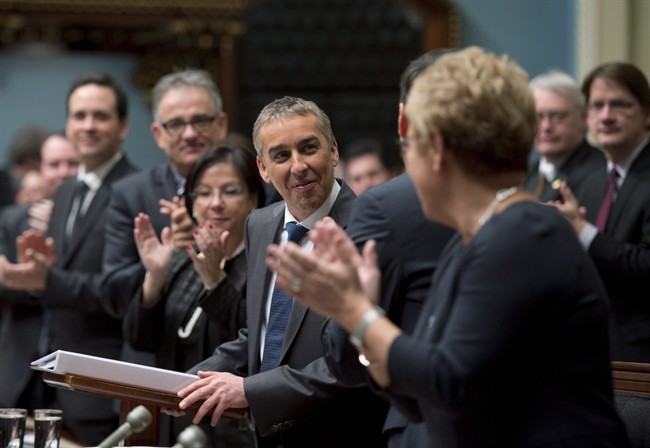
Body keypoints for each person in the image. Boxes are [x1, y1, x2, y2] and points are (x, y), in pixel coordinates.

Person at [266, 47, 630, 447]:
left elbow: (450, 388)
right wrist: (359, 315)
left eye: (409, 145)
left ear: (435, 149)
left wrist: (357, 313)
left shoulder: (525, 234)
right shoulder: (473, 239)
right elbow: (419, 396)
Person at [175, 96, 387, 448]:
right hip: (269, 436)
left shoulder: (370, 228)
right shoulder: (259, 224)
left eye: (309, 148)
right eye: (281, 155)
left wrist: (250, 390)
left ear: (333, 151)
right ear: (263, 168)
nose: (298, 166)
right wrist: (184, 384)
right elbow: (257, 335)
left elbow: (357, 362)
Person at [322, 49, 457, 448]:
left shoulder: (386, 206)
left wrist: (353, 313)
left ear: (403, 121)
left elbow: (345, 362)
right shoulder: (540, 215)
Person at [0, 73, 138, 445]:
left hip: (101, 386)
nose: (88, 126)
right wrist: (31, 277)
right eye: (79, 116)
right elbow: (57, 279)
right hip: (50, 382)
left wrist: (45, 281)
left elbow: (121, 292)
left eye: (100, 116)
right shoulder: (67, 192)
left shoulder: (135, 189)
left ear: (123, 126)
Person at [123, 145, 263, 447]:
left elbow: (253, 345)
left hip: (229, 428)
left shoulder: (263, 264)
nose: (215, 204)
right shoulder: (182, 258)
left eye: (230, 191)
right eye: (203, 193)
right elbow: (139, 338)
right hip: (172, 421)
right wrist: (155, 276)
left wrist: (215, 279)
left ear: (253, 199)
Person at [101, 68, 228, 324]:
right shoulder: (129, 195)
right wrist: (168, 257)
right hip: (154, 350)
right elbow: (113, 295)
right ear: (158, 135)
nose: (190, 134)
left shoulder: (256, 192)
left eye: (200, 120)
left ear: (221, 125)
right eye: (176, 124)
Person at [552, 61, 650, 362]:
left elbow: (646, 265)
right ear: (586, 117)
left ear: (647, 114)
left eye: (619, 105)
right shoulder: (591, 181)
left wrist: (582, 231)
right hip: (593, 347)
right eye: (597, 106)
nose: (606, 116)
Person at [0, 132, 79, 411]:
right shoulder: (12, 219)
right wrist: (30, 283)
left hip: (77, 370)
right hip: (20, 365)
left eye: (72, 164)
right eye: (54, 164)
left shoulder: (95, 219)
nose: (63, 173)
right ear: (40, 170)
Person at [523, 69, 606, 201]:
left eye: (557, 116)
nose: (546, 127)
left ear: (583, 118)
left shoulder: (600, 173)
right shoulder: (528, 173)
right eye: (537, 117)